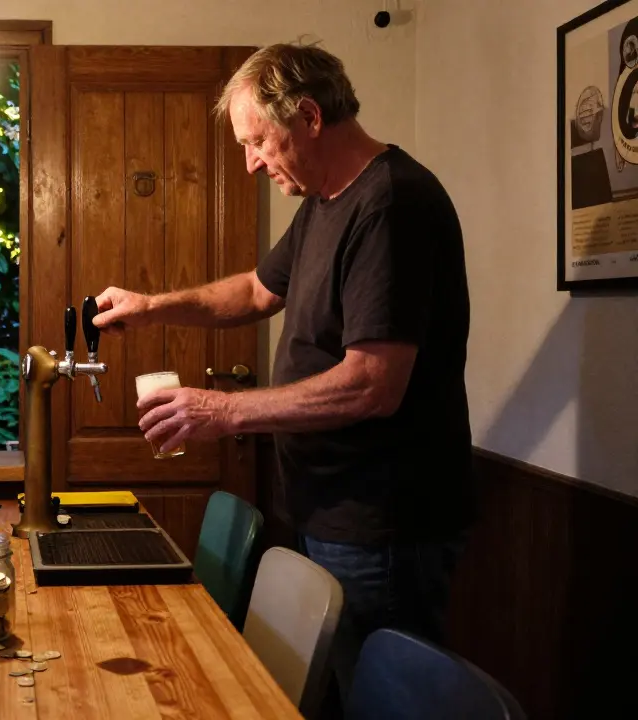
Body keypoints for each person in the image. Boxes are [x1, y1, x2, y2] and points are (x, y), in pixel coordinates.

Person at [92, 43, 473, 704]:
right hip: (328, 507)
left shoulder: (391, 204)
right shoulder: (327, 201)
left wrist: (224, 411)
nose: (250, 163)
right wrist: (154, 309)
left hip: (382, 521)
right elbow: (254, 291)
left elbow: (372, 384)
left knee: (380, 705)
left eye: (258, 141)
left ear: (308, 117)